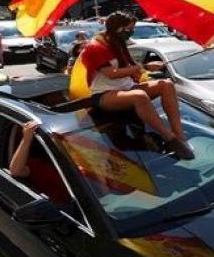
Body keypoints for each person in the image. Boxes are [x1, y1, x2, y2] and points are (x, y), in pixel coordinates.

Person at [80, 12, 193, 160]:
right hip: (105, 94)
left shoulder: (119, 44)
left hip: (128, 87)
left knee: (166, 84)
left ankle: (179, 134)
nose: (131, 32)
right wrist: (143, 67)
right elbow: (112, 73)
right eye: (129, 29)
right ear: (118, 29)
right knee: (139, 96)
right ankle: (170, 138)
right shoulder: (94, 47)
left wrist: (148, 67)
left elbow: (132, 67)